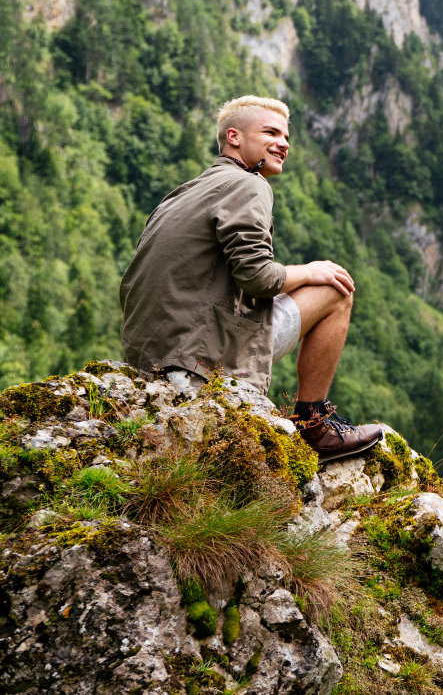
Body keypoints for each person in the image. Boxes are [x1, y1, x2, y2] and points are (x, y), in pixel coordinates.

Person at [120, 95, 383, 461]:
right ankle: (314, 427)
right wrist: (309, 271)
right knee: (334, 287)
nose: (284, 143)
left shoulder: (181, 194)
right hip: (199, 361)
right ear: (234, 137)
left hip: (150, 358)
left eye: (286, 136)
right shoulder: (249, 184)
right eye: (271, 133)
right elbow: (257, 278)